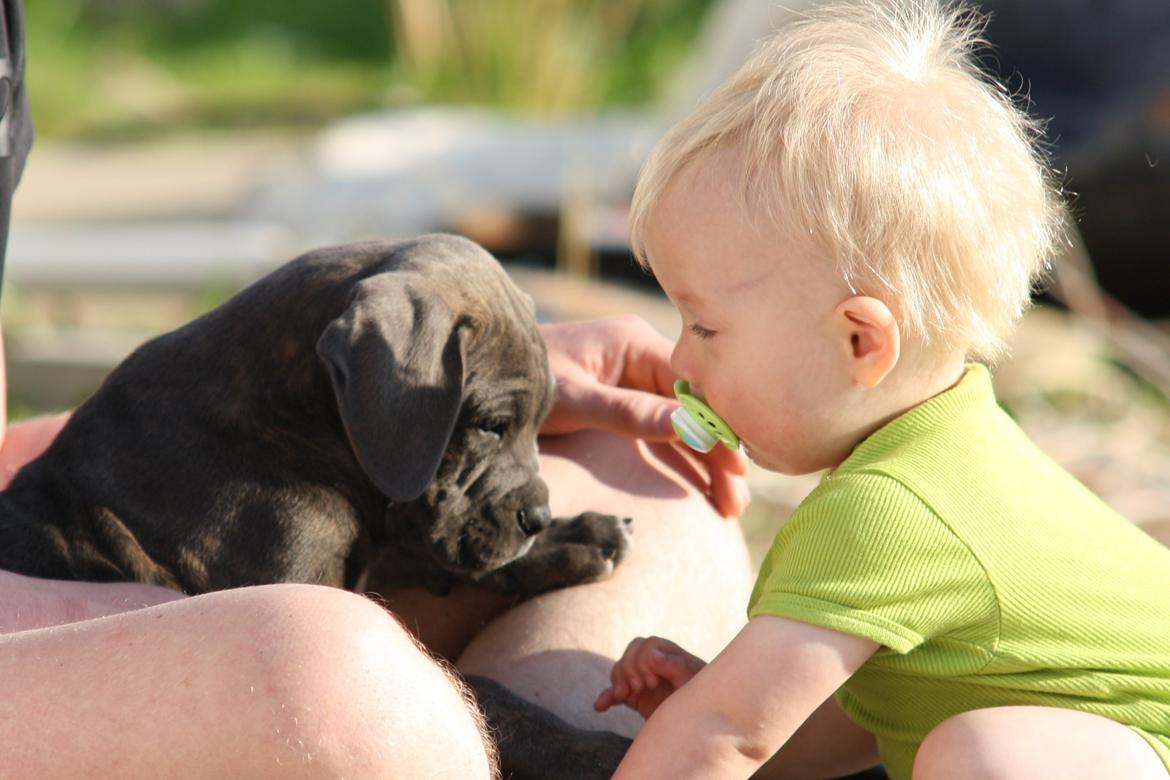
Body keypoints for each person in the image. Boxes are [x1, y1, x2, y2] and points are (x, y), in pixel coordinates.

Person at [0, 1, 755, 776]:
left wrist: (511, 382)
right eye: (493, 427)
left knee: (659, 486)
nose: (510, 456)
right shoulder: (244, 487)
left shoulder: (238, 420)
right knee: (341, 671)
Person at [592, 1, 1170, 779]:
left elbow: (726, 736)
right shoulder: (949, 447)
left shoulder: (889, 508)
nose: (680, 363)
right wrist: (714, 696)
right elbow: (872, 711)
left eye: (705, 328)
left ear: (860, 341)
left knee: (984, 755)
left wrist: (712, 716)